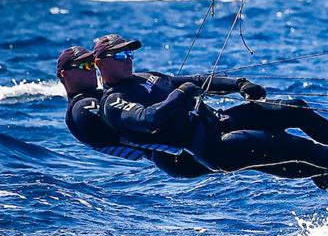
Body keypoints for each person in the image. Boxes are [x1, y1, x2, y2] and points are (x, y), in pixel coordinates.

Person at [93, 34, 328, 187]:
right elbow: (148, 121)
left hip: (217, 121)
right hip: (211, 146)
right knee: (295, 147)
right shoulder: (113, 101)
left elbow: (196, 80)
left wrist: (239, 84)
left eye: (130, 54)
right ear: (100, 64)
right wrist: (182, 96)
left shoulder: (147, 77)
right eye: (120, 57)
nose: (128, 60)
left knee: (295, 109)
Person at [57, 46, 213, 178]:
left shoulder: (104, 95)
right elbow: (135, 128)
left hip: (182, 148)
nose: (91, 70)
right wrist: (177, 99)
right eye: (83, 66)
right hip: (177, 157)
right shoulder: (82, 108)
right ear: (64, 74)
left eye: (92, 64)